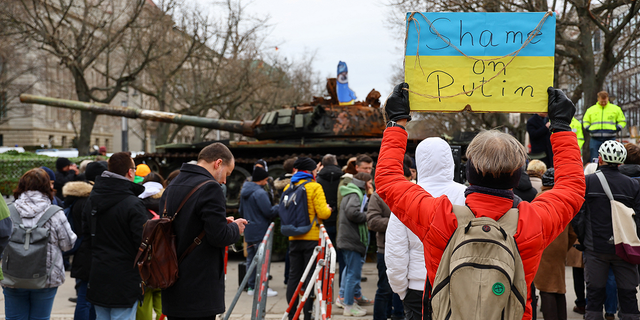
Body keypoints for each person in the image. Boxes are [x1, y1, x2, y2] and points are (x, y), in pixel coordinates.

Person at [376, 84, 585, 320]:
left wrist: (396, 123)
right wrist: (562, 128)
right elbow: (572, 188)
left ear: (469, 170)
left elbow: (388, 181)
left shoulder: (440, 217)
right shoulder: (532, 222)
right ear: (517, 175)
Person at [160, 143, 247, 320]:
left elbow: (185, 223)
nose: (224, 181)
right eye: (227, 174)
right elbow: (219, 237)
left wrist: (220, 223)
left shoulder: (173, 184)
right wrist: (234, 228)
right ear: (218, 163)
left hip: (171, 279)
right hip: (199, 287)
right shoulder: (210, 187)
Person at [387, 137, 467, 320]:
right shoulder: (465, 194)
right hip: (457, 282)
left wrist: (400, 289)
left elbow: (396, 249)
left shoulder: (406, 196)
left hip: (418, 285)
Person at [573, 140, 640, 320]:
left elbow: (577, 217)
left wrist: (583, 239)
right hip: (625, 248)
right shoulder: (633, 186)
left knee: (594, 298)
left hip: (595, 248)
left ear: (600, 159)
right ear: (621, 161)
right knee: (628, 297)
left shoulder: (587, 182)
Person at [3, 168, 76, 320]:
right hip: (46, 277)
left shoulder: (9, 211)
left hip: (12, 276)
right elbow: (68, 244)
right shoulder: (55, 213)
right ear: (47, 186)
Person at [83, 152, 148, 320]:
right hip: (126, 278)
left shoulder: (92, 199)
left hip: (98, 272)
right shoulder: (133, 204)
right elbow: (143, 243)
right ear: (130, 172)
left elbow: (86, 235)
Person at [285, 157, 332, 320]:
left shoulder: (289, 186)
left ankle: (291, 314)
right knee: (310, 277)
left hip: (293, 237)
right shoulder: (314, 186)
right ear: (311, 171)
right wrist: (328, 209)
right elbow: (323, 213)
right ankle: (307, 314)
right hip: (311, 238)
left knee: (293, 277)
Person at [367, 166, 412, 320]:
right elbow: (372, 221)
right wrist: (398, 221)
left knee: (403, 290)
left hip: (409, 249)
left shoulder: (413, 193)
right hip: (384, 249)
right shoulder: (379, 196)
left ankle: (398, 316)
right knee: (385, 289)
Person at [533, 168, 576, 320]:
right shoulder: (563, 201)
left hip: (543, 249)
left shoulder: (539, 199)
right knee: (558, 288)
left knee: (546, 288)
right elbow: (572, 232)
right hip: (559, 249)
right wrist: (564, 247)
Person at [68, 161, 108, 320]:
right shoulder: (92, 199)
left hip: (81, 252)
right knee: (87, 299)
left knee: (84, 296)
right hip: (91, 252)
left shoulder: (77, 198)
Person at [336, 172, 373, 317]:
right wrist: (370, 214)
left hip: (348, 238)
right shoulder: (355, 194)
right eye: (369, 182)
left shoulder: (351, 191)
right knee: (353, 273)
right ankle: (349, 306)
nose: (371, 185)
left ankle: (348, 299)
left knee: (349, 271)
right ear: (363, 183)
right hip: (352, 239)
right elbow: (353, 213)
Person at [239, 166, 279, 297]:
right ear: (261, 180)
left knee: (251, 259)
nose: (267, 182)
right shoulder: (260, 193)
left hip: (249, 230)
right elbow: (268, 212)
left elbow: (240, 211)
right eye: (266, 180)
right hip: (261, 231)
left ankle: (251, 287)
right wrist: (280, 207)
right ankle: (262, 287)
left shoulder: (245, 191)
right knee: (263, 260)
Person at [336, 154, 374, 287]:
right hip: (352, 230)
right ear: (357, 168)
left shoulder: (366, 183)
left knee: (357, 266)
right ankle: (346, 296)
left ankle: (354, 294)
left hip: (363, 228)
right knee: (351, 268)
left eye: (370, 168)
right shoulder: (349, 183)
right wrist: (370, 215)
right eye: (365, 168)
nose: (368, 171)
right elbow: (346, 209)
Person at [137, 172, 166, 320]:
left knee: (144, 298)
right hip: (165, 260)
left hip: (144, 261)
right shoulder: (169, 202)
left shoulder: (137, 204)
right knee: (163, 298)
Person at [583, 91, 626, 161]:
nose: (603, 103)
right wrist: (588, 128)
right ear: (598, 99)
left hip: (610, 137)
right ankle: (595, 170)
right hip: (595, 138)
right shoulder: (591, 110)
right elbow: (585, 121)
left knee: (611, 157)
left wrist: (617, 128)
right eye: (601, 102)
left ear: (608, 99)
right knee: (595, 158)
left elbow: (622, 121)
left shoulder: (616, 109)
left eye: (605, 102)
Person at [316, 154, 344, 247]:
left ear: (322, 164)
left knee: (325, 247)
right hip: (340, 218)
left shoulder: (318, 179)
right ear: (336, 163)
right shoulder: (343, 178)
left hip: (324, 218)